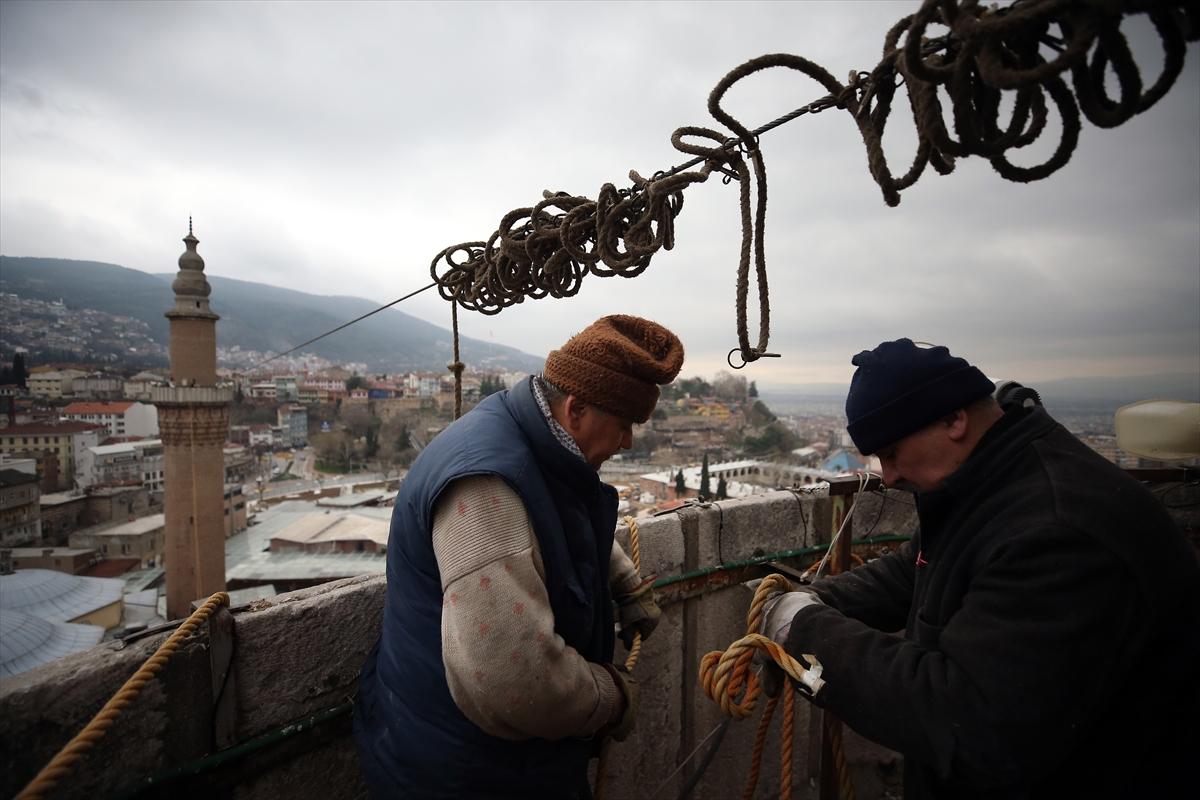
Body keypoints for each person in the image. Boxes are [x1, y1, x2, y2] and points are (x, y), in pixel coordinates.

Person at [760, 338, 1200, 799]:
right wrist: (819, 598)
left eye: (891, 453)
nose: (887, 477)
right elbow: (918, 569)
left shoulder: (1059, 530)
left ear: (954, 419)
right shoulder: (992, 481)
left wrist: (803, 631)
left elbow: (969, 719)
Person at [353, 314, 684, 799]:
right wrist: (610, 698)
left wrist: (622, 580)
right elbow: (517, 681)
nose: (628, 442)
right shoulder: (484, 488)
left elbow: (556, 512)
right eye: (623, 425)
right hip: (467, 776)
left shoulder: (525, 433)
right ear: (575, 410)